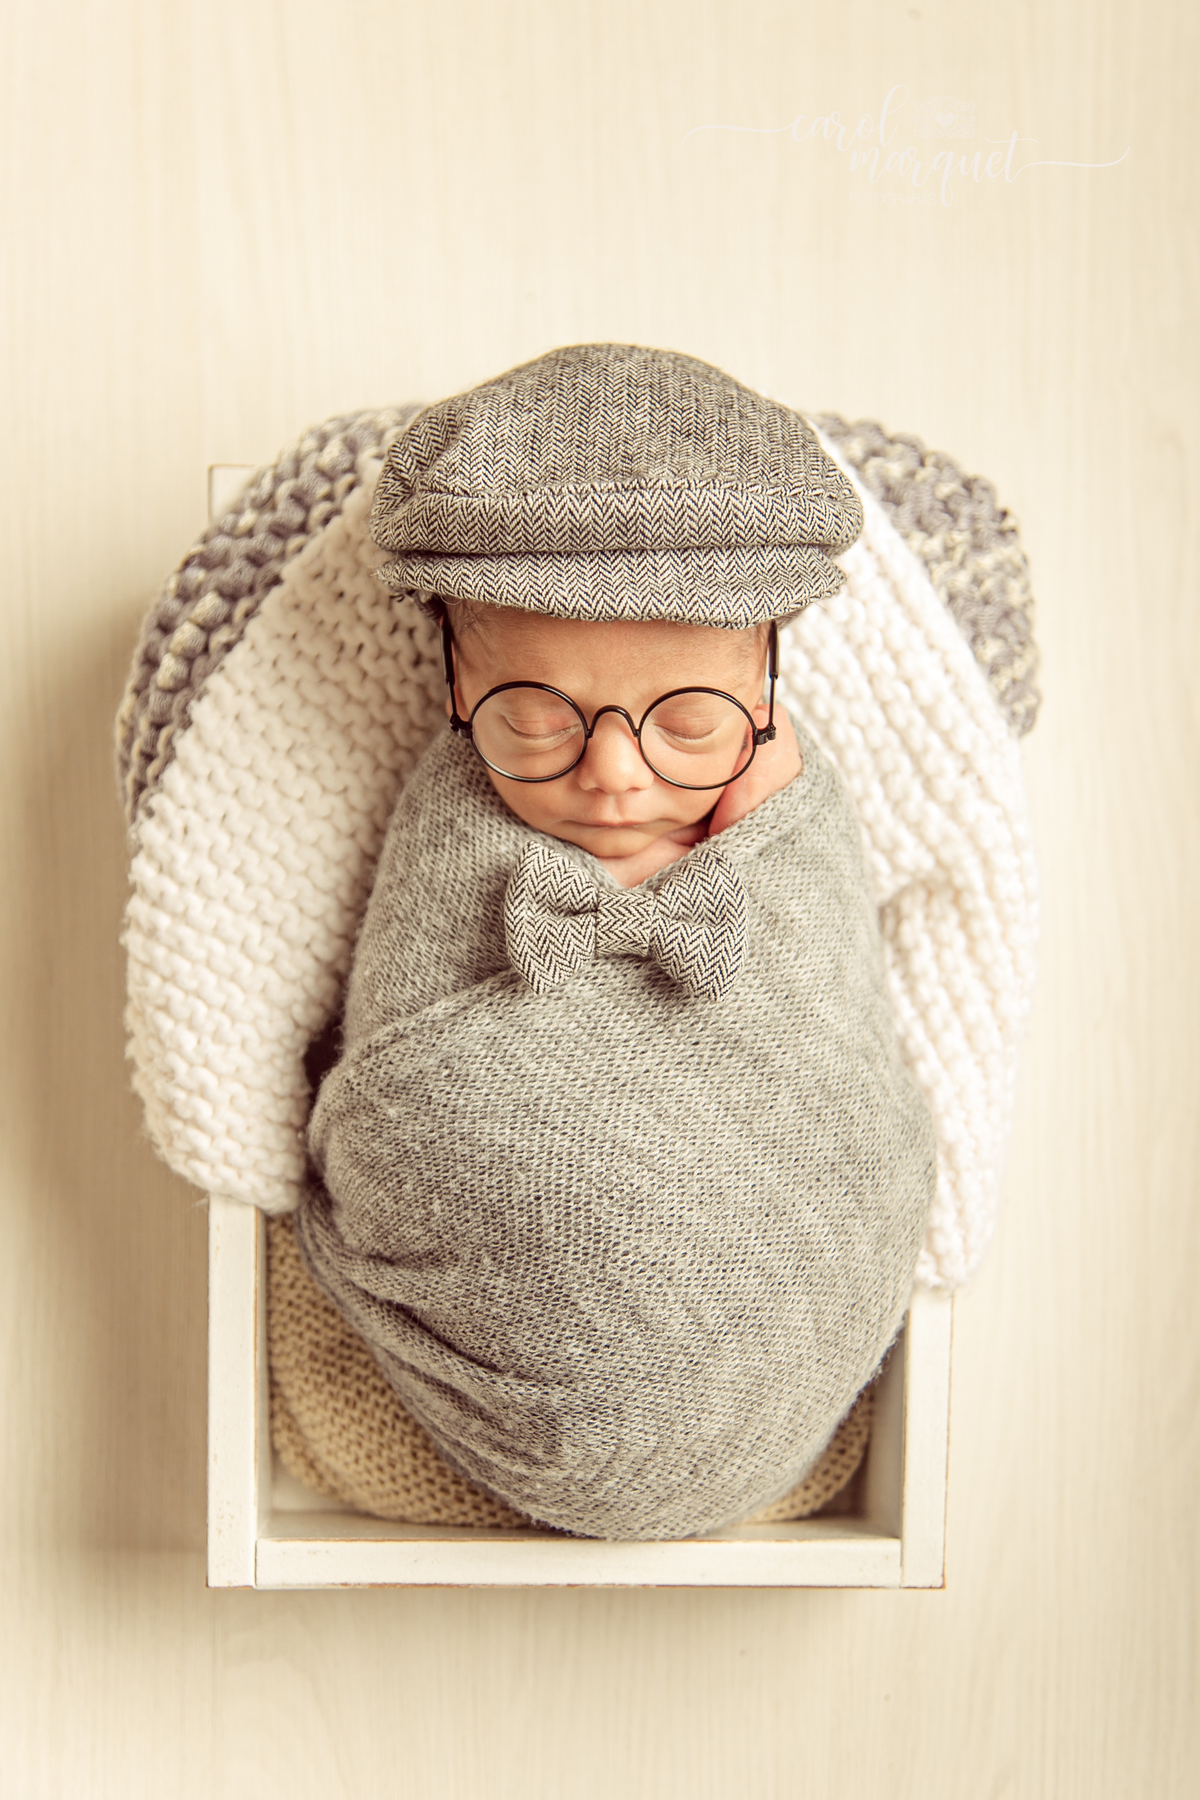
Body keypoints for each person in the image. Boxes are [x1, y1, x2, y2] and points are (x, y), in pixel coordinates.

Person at [292, 342, 936, 1541]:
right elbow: (389, 1077)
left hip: (757, 1268)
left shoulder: (786, 798)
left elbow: (833, 1029)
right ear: (453, 687)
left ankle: (725, 1400)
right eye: (534, 718)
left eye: (688, 722)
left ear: (765, 691)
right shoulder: (454, 818)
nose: (612, 777)